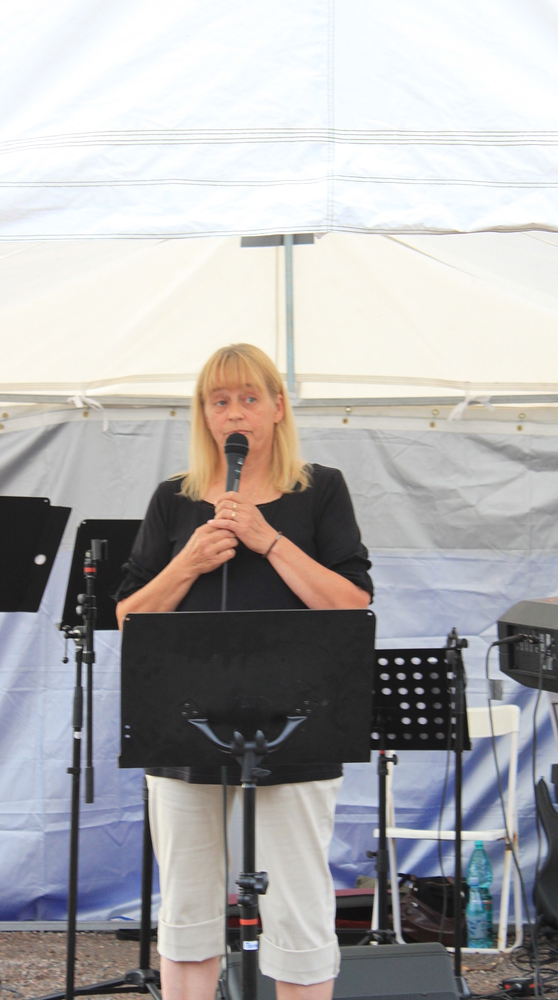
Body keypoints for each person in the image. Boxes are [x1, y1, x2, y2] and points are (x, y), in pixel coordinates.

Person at [115, 343, 373, 1000]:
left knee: (298, 909)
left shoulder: (320, 489)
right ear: (204, 414)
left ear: (277, 408)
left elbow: (352, 603)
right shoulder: (173, 500)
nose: (235, 413)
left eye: (249, 399)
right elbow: (128, 615)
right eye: (220, 400)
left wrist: (268, 540)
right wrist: (188, 563)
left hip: (297, 724)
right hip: (184, 724)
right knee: (187, 912)